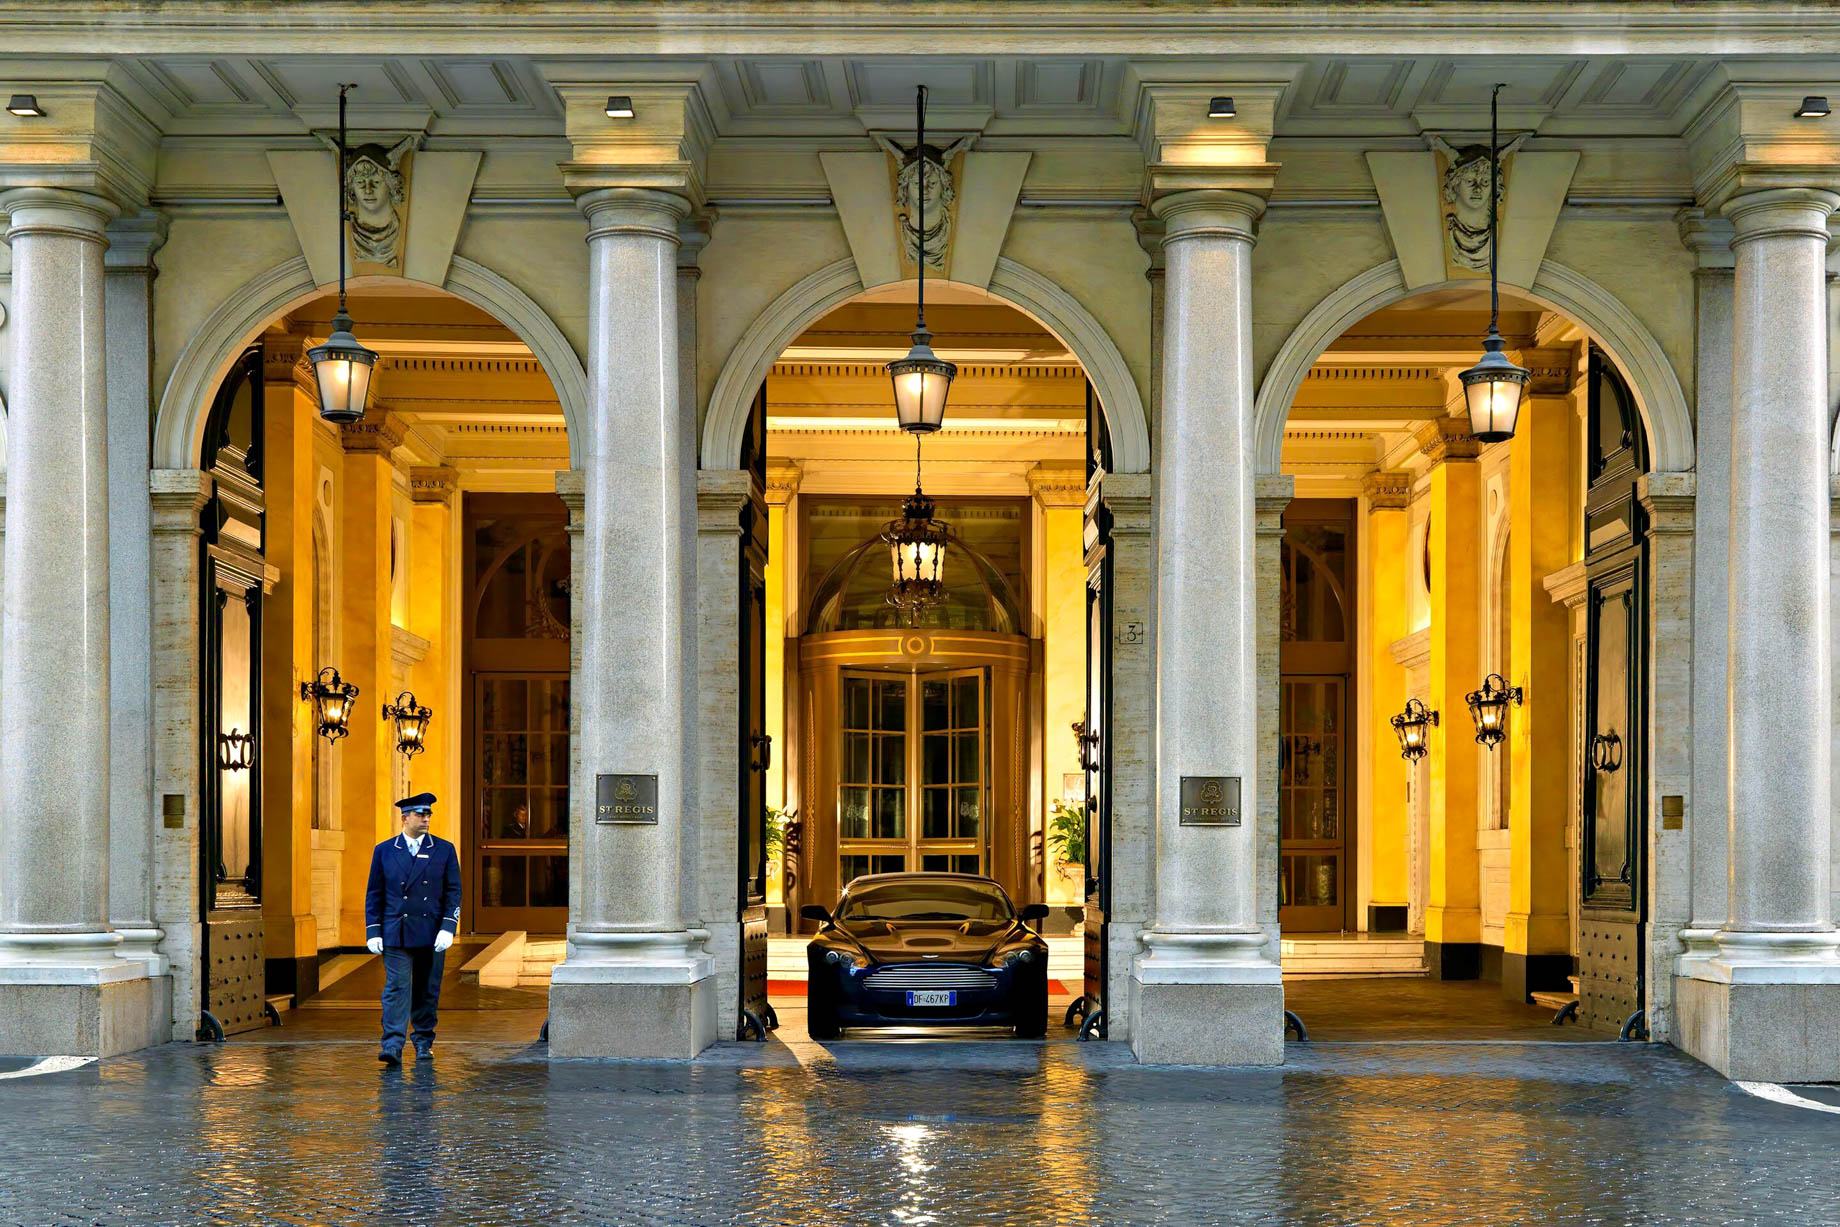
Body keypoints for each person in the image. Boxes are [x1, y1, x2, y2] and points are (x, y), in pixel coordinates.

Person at [365, 792, 461, 1065]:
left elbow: (454, 892)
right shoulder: (384, 850)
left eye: (428, 814)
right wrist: (373, 930)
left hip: (431, 932)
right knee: (396, 987)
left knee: (426, 989)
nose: (426, 819)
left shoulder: (443, 849)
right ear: (405, 818)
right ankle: (393, 1045)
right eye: (420, 815)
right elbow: (375, 893)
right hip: (397, 931)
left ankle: (422, 1041)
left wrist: (448, 927)